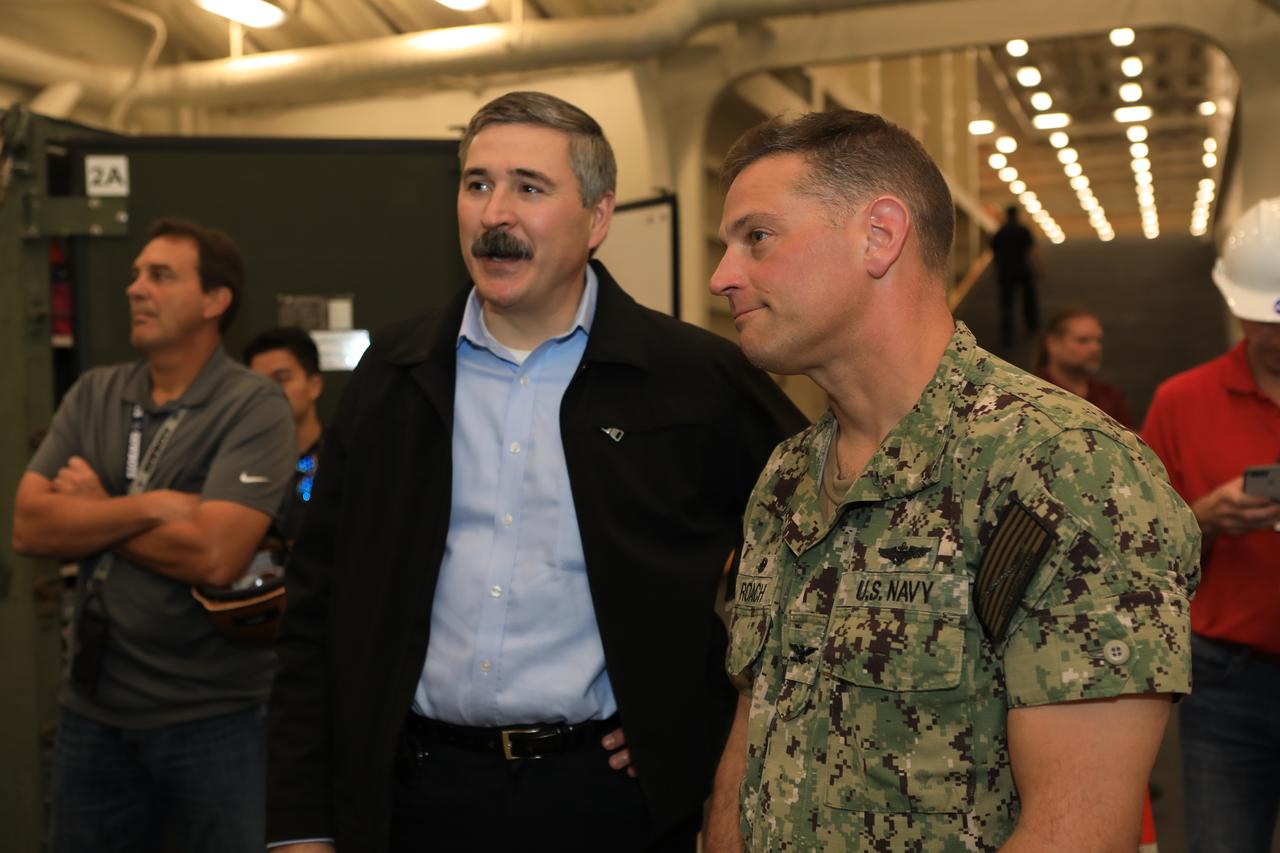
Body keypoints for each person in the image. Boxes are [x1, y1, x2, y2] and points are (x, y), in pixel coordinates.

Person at [266, 91, 807, 853]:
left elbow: (815, 538)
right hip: (415, 798)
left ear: (597, 217)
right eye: (478, 184)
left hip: (607, 802)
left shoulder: (692, 379)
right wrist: (297, 825)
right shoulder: (394, 374)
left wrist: (695, 708)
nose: (495, 214)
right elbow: (315, 605)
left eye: (529, 186)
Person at [703, 109, 1200, 852]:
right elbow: (750, 743)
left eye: (758, 238)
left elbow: (1077, 829)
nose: (721, 278)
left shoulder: (1066, 471)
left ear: (879, 235)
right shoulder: (785, 478)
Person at [11, 218, 296, 852]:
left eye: (160, 275)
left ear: (214, 301)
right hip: (93, 713)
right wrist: (155, 508)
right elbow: (30, 525)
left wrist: (94, 515)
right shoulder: (95, 393)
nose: (135, 288)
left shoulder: (252, 406)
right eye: (136, 274)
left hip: (213, 721)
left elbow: (217, 555)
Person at [1141, 196, 1280, 853]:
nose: (1278, 333)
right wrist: (1201, 518)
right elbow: (1136, 549)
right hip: (1227, 682)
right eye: (1264, 318)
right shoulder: (1182, 401)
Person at [244, 326, 325, 546]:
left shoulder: (345, 459)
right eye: (257, 383)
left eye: (281, 379)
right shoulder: (240, 463)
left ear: (314, 385)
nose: (268, 391)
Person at [1036, 308, 1136, 427]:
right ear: (1052, 344)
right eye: (1083, 340)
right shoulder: (1032, 396)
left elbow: (1130, 442)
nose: (1095, 348)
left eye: (1098, 340)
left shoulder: (1110, 396)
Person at [991, 204, 1040, 345]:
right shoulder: (1023, 230)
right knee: (1029, 298)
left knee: (1007, 303)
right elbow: (1031, 251)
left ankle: (1007, 331)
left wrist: (997, 271)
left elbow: (995, 254)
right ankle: (1032, 326)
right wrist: (1038, 268)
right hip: (1023, 269)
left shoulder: (1000, 232)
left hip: (1006, 271)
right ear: (1017, 215)